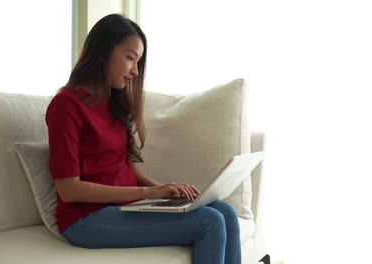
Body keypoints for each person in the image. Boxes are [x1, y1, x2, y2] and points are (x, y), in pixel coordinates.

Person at [45, 13, 241, 264]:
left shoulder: (110, 103)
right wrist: (150, 191)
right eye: (130, 58)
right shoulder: (66, 105)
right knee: (209, 222)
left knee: (225, 211)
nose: (135, 71)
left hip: (124, 206)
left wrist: (164, 192)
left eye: (138, 61)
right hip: (85, 219)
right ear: (104, 50)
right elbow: (69, 189)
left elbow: (121, 166)